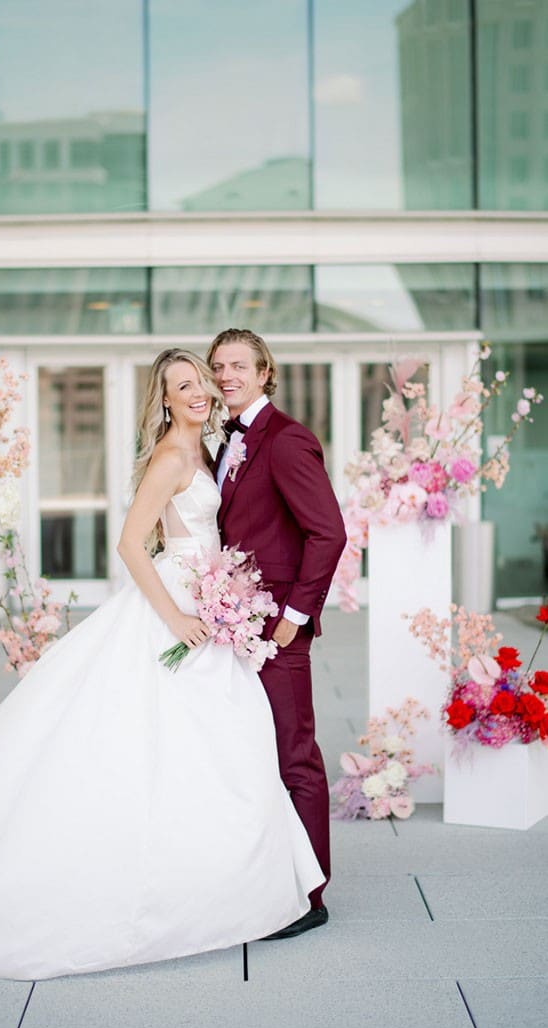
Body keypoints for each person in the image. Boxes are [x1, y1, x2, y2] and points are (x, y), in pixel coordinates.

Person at [0, 348, 323, 981]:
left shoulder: (210, 453)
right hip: (178, 610)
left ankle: (220, 875)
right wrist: (178, 618)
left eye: (203, 382)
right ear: (164, 399)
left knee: (220, 746)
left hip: (209, 606)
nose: (201, 392)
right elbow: (131, 543)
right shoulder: (171, 457)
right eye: (185, 385)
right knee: (150, 742)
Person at [208, 329, 346, 939]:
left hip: (276, 631)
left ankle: (310, 896)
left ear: (266, 372)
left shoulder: (287, 440)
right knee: (251, 753)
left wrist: (293, 619)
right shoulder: (225, 442)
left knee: (296, 756)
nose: (226, 375)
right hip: (235, 626)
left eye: (238, 365)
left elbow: (329, 533)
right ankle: (268, 878)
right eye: (217, 367)